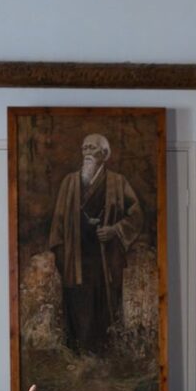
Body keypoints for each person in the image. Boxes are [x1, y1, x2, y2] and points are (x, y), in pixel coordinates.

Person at [48, 133, 143, 353]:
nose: (88, 152)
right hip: (76, 257)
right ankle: (78, 356)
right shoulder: (69, 182)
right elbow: (58, 223)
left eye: (93, 148)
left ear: (105, 154)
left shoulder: (118, 182)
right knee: (77, 305)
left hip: (106, 259)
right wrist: (61, 253)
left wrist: (115, 230)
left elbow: (136, 215)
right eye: (85, 148)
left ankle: (107, 357)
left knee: (105, 307)